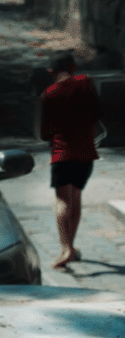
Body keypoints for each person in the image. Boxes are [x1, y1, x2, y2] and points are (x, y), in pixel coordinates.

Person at [39, 51, 102, 269]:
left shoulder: (50, 93)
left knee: (63, 200)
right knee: (76, 198)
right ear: (74, 68)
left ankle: (65, 247)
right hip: (86, 153)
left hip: (62, 154)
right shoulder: (86, 83)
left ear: (51, 72)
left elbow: (44, 133)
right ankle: (72, 247)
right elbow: (96, 113)